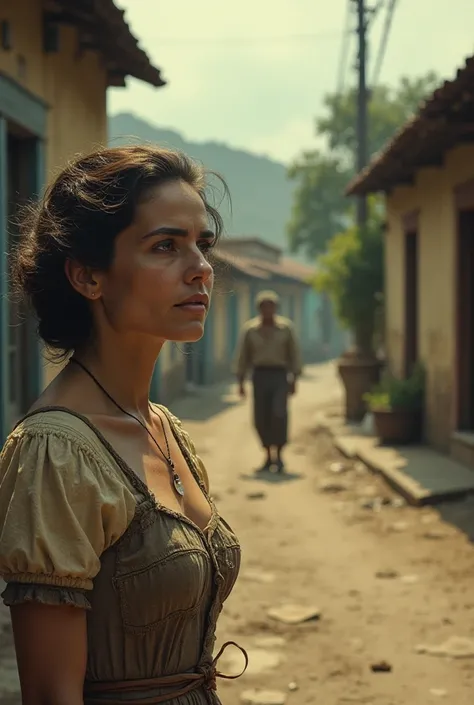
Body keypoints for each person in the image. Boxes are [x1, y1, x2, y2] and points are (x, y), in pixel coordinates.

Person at [0, 146, 247, 704]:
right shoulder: (56, 452)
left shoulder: (162, 426)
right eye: (166, 246)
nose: (201, 268)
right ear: (88, 276)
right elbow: (50, 695)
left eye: (201, 245)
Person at [235, 290, 302, 473]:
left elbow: (294, 354)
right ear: (259, 309)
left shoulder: (286, 328)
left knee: (279, 414)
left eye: (271, 307)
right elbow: (243, 357)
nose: (268, 310)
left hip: (279, 375)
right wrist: (241, 382)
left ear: (276, 308)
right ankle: (267, 456)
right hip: (260, 375)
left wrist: (294, 378)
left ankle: (279, 455)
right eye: (264, 307)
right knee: (261, 416)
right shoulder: (250, 330)